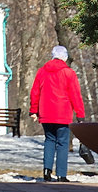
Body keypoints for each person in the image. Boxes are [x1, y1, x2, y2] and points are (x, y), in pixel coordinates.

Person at [29, 45, 85, 182]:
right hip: (63, 113)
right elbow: (75, 95)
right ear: (64, 57)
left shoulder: (42, 71)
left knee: (49, 140)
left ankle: (47, 171)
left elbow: (35, 92)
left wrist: (33, 110)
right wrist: (80, 114)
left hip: (46, 113)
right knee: (62, 143)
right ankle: (61, 174)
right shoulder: (69, 73)